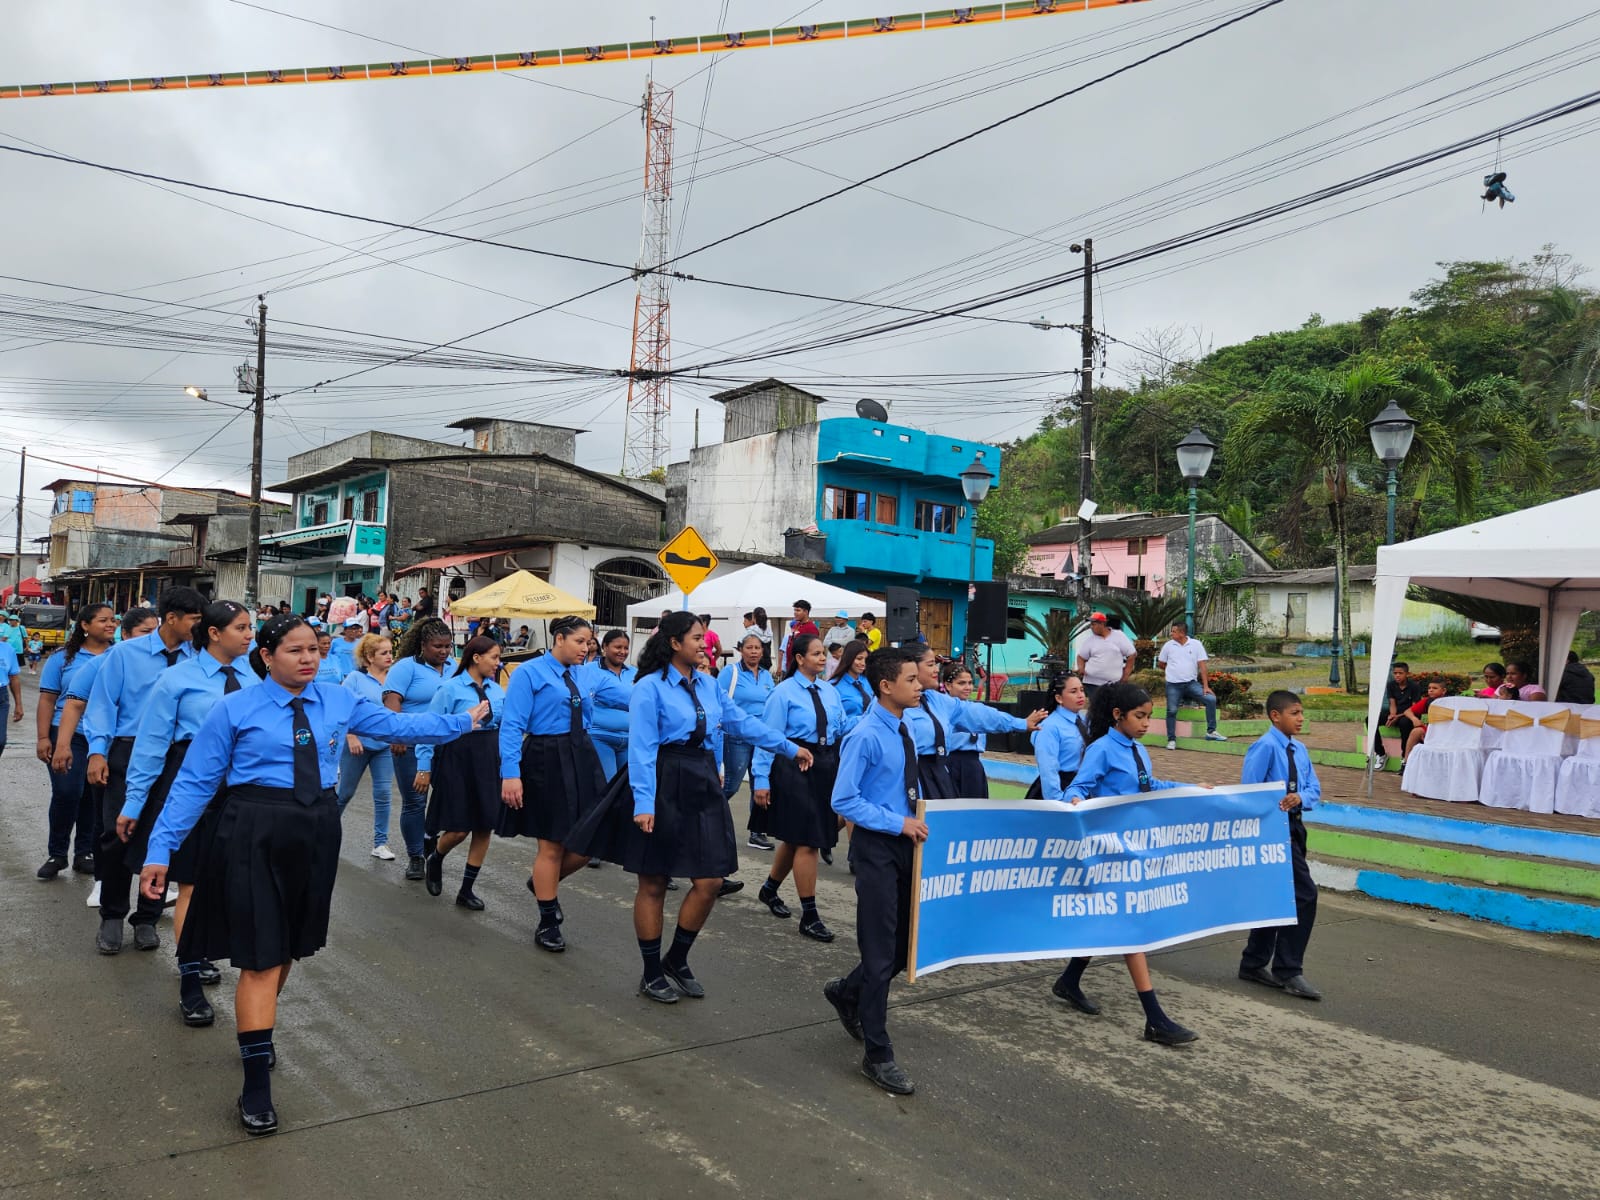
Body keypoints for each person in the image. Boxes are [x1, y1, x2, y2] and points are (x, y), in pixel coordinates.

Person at [138, 613, 487, 1136]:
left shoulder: (338, 700)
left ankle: (258, 1030)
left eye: (314, 650)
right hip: (254, 828)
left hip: (317, 830)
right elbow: (194, 782)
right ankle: (256, 1083)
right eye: (295, 650)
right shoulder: (235, 708)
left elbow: (397, 727)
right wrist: (160, 850)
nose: (308, 659)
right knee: (261, 957)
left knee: (287, 949)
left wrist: (462, 722)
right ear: (266, 656)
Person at [567, 612, 813, 1002]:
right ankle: (651, 972)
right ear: (674, 643)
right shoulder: (649, 687)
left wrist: (788, 747)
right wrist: (644, 803)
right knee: (653, 881)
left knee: (710, 880)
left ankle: (676, 959)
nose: (705, 644)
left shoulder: (710, 685)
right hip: (663, 778)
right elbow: (643, 747)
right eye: (697, 638)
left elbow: (741, 723)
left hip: (700, 779)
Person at [117, 600, 256, 1026]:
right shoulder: (176, 679)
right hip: (190, 783)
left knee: (230, 884)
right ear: (214, 633)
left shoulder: (254, 676)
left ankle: (204, 951)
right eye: (241, 628)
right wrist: (134, 803)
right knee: (192, 885)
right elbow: (152, 744)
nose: (250, 635)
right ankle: (190, 983)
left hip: (242, 790)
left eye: (250, 627)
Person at [1055, 682, 1196, 1047]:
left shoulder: (1137, 749)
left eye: (1149, 716)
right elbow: (1078, 787)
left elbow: (1149, 787)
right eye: (1140, 716)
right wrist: (1074, 801)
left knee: (1109, 919)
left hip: (1134, 849)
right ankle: (1155, 1019)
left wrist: (1192, 791)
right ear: (1118, 715)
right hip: (1110, 851)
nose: (1146, 723)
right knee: (1130, 929)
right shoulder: (1102, 749)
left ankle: (1069, 980)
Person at [822, 646, 928, 1096]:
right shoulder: (864, 735)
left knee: (906, 945)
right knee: (881, 948)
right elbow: (843, 799)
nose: (920, 685)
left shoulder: (905, 727)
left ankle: (847, 991)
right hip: (876, 848)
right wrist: (896, 822)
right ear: (886, 686)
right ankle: (878, 1053)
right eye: (911, 679)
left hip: (906, 844)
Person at [84, 586, 205, 955]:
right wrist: (97, 752)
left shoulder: (199, 658)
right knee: (118, 832)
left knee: (163, 836)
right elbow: (102, 704)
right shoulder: (125, 654)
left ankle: (147, 918)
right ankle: (112, 915)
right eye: (195, 620)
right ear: (172, 618)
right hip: (127, 749)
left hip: (175, 756)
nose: (200, 627)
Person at [496, 615, 625, 952]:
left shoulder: (589, 673)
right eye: (580, 641)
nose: (586, 648)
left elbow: (632, 697)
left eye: (589, 642)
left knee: (591, 838)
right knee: (552, 845)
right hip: (545, 757)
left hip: (582, 754)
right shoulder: (529, 673)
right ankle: (548, 920)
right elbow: (512, 725)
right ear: (559, 639)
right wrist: (511, 773)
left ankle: (543, 882)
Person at [753, 634, 849, 941]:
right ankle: (809, 916)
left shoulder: (829, 691)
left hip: (824, 766)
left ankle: (769, 889)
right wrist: (761, 779)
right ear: (799, 658)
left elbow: (841, 727)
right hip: (794, 766)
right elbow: (768, 737)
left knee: (796, 840)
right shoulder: (783, 693)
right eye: (816, 653)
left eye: (824, 653)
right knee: (808, 841)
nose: (823, 658)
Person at [1239, 690, 1322, 1001]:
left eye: (1302, 713)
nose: (1301, 719)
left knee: (1275, 894)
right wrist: (1270, 808)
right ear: (1276, 716)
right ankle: (1288, 969)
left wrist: (1300, 797)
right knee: (1304, 894)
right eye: (1294, 713)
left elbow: (1314, 788)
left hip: (1295, 826)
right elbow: (1249, 791)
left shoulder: (1299, 749)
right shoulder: (1265, 747)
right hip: (1273, 830)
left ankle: (1253, 962)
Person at [420, 636, 506, 910]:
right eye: (494, 657)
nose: (498, 663)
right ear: (476, 658)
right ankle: (436, 856)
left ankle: (467, 890)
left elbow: (507, 727)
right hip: (458, 758)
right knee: (458, 828)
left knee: (484, 826)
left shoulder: (497, 691)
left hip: (489, 760)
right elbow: (430, 727)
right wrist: (423, 766)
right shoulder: (450, 689)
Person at [35, 603, 117, 879]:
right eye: (103, 620)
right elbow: (47, 700)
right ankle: (57, 854)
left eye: (113, 620)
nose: (111, 625)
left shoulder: (120, 656)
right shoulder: (62, 658)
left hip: (104, 735)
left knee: (94, 795)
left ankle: (85, 853)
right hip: (67, 733)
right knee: (67, 792)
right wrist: (44, 738)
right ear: (84, 625)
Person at [904, 644, 1043, 800]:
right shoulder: (897, 706)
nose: (936, 669)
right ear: (910, 668)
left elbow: (977, 714)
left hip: (938, 774)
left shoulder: (934, 700)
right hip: (912, 775)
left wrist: (1019, 724)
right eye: (930, 665)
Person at [383, 617, 456, 881]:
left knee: (446, 798)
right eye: (438, 646)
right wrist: (397, 734)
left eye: (447, 646)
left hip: (446, 745)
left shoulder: (453, 667)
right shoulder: (406, 667)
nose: (444, 651)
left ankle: (429, 839)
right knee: (415, 801)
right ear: (423, 645)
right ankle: (416, 857)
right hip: (411, 743)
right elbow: (392, 699)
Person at [337, 634, 399, 861]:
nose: (389, 656)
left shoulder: (394, 679)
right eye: (384, 653)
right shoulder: (355, 678)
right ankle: (323, 832)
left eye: (391, 652)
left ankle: (380, 843)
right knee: (345, 793)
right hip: (358, 745)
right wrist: (351, 736)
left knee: (383, 793)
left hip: (384, 745)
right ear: (370, 657)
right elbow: (341, 709)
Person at [721, 633, 776, 851]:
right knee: (732, 784)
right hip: (737, 737)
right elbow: (718, 699)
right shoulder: (731, 672)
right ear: (741, 650)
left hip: (761, 737)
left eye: (757, 648)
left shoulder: (766, 675)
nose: (753, 652)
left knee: (760, 784)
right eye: (749, 647)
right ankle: (708, 816)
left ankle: (757, 832)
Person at [1157, 622, 1227, 750]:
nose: (1171, 633)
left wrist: (1206, 686)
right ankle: (1171, 739)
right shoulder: (1168, 645)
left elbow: (1202, 667)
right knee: (1171, 710)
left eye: (1174, 631)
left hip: (1191, 684)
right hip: (1173, 685)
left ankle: (1211, 732)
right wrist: (1172, 671)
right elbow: (1161, 663)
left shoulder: (1196, 644)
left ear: (1182, 633)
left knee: (1211, 699)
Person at [1026, 672, 1090, 799]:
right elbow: (1048, 769)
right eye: (1073, 691)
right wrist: (1058, 800)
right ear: (1059, 698)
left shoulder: (1083, 720)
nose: (1080, 695)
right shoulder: (1049, 727)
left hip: (1082, 787)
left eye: (1082, 690)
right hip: (1061, 788)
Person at [940, 663, 991, 799]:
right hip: (951, 764)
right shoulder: (941, 710)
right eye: (961, 683)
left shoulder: (975, 709)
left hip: (974, 765)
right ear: (948, 685)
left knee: (975, 808)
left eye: (970, 683)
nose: (968, 687)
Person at [591, 630, 636, 781]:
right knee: (607, 785)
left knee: (626, 787)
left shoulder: (635, 672)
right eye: (618, 647)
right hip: (600, 737)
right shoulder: (589, 670)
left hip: (629, 739)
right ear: (605, 646)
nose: (622, 652)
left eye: (626, 648)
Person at [1075, 613, 1135, 699]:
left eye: (1094, 624)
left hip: (1113, 684)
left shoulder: (1119, 636)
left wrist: (1125, 676)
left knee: (1111, 705)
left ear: (1102, 624)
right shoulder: (1090, 640)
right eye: (1091, 624)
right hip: (1092, 683)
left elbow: (1131, 655)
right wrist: (1081, 668)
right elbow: (1081, 657)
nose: (1091, 627)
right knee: (1097, 705)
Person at [1373, 662, 1421, 770]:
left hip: (1410, 714)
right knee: (1371, 720)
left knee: (1405, 724)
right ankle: (1380, 753)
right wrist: (1392, 715)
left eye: (1400, 673)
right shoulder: (1391, 685)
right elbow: (1392, 703)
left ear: (1407, 674)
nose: (1397, 676)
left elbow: (1414, 708)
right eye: (1395, 673)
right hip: (1397, 713)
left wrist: (1397, 716)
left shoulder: (1414, 686)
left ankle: (1405, 758)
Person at [1401, 679, 1451, 761]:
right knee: (1416, 731)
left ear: (1444, 691)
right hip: (1431, 729)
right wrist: (1414, 719)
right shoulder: (1427, 701)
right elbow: (1407, 711)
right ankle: (1407, 761)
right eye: (1429, 688)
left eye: (1434, 688)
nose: (1431, 690)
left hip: (1446, 730)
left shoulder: (1450, 702)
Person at [831, 640, 873, 728]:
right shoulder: (833, 686)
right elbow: (834, 721)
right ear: (849, 658)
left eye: (866, 660)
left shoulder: (868, 681)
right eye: (859, 659)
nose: (863, 663)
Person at [782, 600, 820, 673]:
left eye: (798, 610)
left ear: (806, 612)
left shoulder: (811, 628)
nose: (795, 613)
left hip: (802, 667)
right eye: (794, 610)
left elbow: (813, 649)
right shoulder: (796, 625)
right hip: (791, 665)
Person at [0, 631, 20, 760]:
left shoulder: (8, 649)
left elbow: (14, 677)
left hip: (1, 696)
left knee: (1, 740)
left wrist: (18, 704)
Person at [750, 606, 773, 671]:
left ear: (754, 617)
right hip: (767, 660)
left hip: (755, 660)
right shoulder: (769, 631)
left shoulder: (751, 630)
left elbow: (742, 643)